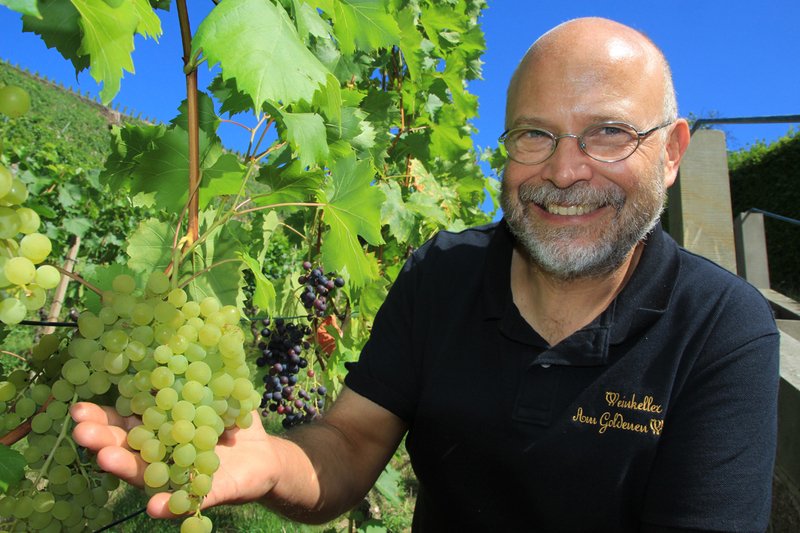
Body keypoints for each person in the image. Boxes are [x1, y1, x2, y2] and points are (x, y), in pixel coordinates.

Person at [71, 17, 780, 532]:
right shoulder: (443, 273)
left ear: (674, 151)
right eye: (534, 134)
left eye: (609, 131)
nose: (565, 170)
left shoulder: (722, 330)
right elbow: (348, 445)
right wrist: (270, 462)